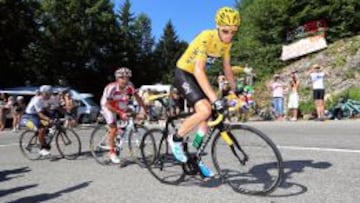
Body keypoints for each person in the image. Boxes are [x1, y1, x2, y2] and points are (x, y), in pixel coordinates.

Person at [172, 6, 240, 178]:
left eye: (233, 32)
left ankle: (195, 153)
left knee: (208, 116)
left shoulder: (227, 44)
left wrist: (236, 90)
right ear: (217, 26)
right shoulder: (206, 36)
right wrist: (214, 98)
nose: (229, 36)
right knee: (205, 109)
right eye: (225, 31)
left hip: (196, 76)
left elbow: (227, 68)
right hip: (185, 73)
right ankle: (176, 139)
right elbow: (198, 70)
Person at [100, 67, 147, 164]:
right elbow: (108, 105)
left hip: (118, 102)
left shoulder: (130, 85)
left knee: (132, 112)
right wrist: (121, 113)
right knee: (113, 128)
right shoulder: (111, 87)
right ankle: (112, 152)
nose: (125, 80)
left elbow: (138, 98)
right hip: (107, 104)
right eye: (122, 78)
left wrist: (145, 109)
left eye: (127, 78)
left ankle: (121, 131)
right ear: (117, 79)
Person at [20, 85, 53, 156]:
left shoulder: (45, 99)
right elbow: (40, 114)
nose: (50, 95)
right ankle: (42, 148)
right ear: (44, 93)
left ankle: (44, 137)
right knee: (41, 129)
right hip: (30, 116)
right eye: (49, 94)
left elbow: (47, 110)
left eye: (50, 93)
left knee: (50, 124)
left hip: (37, 115)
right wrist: (49, 119)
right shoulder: (37, 99)